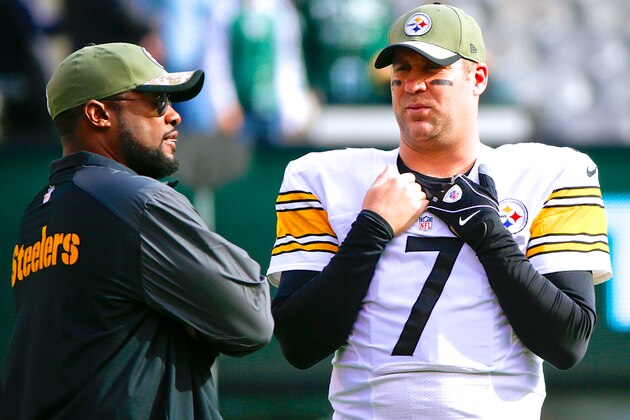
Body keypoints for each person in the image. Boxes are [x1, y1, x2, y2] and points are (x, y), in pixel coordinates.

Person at [267, 3, 612, 419]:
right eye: (403, 71)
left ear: (477, 78)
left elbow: (567, 342)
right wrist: (370, 230)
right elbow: (300, 345)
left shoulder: (551, 173)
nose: (414, 85)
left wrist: (491, 237)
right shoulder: (322, 176)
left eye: (433, 70)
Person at [1, 42, 273, 419]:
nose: (174, 116)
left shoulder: (39, 211)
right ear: (99, 114)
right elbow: (252, 320)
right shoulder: (138, 201)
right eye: (157, 102)